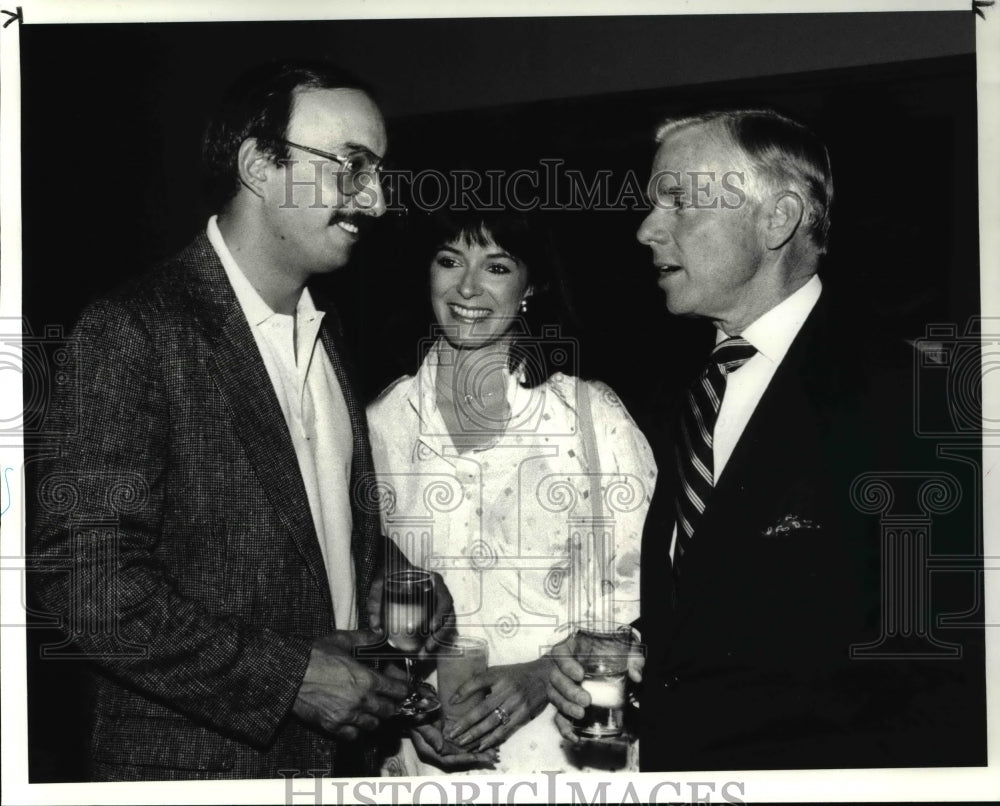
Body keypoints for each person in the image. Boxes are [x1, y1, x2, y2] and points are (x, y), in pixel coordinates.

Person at [28, 60, 454, 781]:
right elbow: (85, 584)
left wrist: (387, 572)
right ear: (260, 164)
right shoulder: (134, 329)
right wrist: (293, 678)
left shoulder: (326, 338)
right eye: (352, 167)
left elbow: (292, 528)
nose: (377, 200)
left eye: (379, 173)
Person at [548, 108, 985, 770]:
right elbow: (727, 598)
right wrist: (632, 649)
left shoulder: (911, 403)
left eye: (678, 202)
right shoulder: (676, 396)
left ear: (776, 218)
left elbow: (944, 677)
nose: (646, 230)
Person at [366, 209, 657, 774]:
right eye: (449, 260)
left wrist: (542, 675)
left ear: (531, 284)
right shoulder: (380, 426)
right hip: (427, 766)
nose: (468, 287)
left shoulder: (590, 418)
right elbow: (360, 606)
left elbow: (646, 606)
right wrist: (405, 707)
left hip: (571, 760)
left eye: (496, 266)